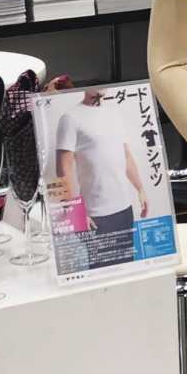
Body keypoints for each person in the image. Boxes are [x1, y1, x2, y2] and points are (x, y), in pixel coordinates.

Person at [54, 90, 148, 268]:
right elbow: (63, 170)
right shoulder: (71, 118)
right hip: (96, 215)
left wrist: (141, 189)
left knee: (127, 270)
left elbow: (126, 156)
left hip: (124, 210)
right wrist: (76, 213)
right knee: (102, 275)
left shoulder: (113, 114)